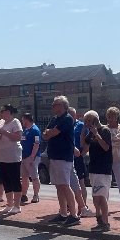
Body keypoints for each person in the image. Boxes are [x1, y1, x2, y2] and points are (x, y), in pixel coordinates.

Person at [42, 96, 80, 226]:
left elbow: (53, 133)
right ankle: (63, 213)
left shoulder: (67, 119)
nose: (52, 107)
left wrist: (50, 132)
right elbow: (45, 134)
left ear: (62, 106)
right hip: (54, 156)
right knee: (58, 185)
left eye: (55, 104)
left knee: (65, 185)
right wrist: (50, 132)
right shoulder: (54, 119)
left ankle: (74, 215)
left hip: (64, 157)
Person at [82, 110, 113, 231]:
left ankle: (105, 223)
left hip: (103, 169)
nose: (87, 123)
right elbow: (83, 145)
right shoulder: (91, 133)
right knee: (95, 196)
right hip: (93, 168)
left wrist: (96, 134)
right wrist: (84, 131)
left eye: (89, 120)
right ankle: (99, 218)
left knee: (102, 197)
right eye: (86, 121)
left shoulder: (105, 130)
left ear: (95, 119)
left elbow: (106, 147)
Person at [0, 105, 23, 215]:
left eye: (2, 111)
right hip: (0, 157)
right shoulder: (0, 123)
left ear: (8, 112)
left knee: (14, 180)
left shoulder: (15, 122)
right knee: (5, 181)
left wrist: (4, 132)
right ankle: (9, 204)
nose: (0, 113)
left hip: (12, 157)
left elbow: (18, 137)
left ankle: (17, 205)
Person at [105, 107, 120, 211]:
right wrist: (111, 140)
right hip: (106, 156)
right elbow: (108, 141)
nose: (110, 118)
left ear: (117, 117)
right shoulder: (105, 128)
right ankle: (105, 202)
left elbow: (119, 139)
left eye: (113, 116)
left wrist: (110, 139)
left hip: (118, 157)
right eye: (109, 116)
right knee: (106, 181)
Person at [20, 113, 42, 204]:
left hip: (31, 157)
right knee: (24, 177)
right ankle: (23, 195)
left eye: (23, 120)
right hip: (24, 156)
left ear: (26, 120)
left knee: (34, 176)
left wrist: (32, 156)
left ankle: (36, 195)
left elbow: (36, 143)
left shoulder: (35, 130)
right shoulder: (26, 130)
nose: (22, 122)